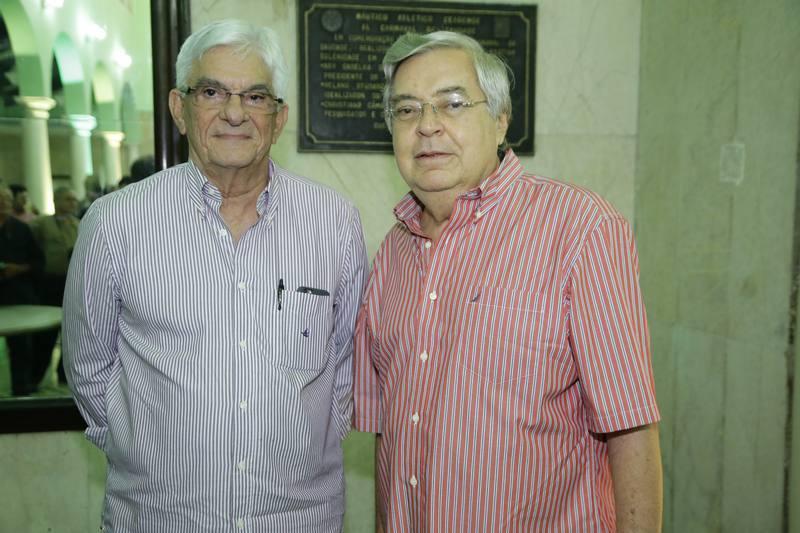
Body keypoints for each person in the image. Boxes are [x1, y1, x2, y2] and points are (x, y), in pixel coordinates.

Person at [63, 19, 368, 532]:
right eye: (212, 92)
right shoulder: (115, 223)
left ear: (278, 118)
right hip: (160, 518)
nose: (234, 113)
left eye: (255, 96)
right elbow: (89, 366)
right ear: (179, 109)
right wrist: (145, 452)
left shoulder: (333, 221)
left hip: (297, 519)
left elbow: (345, 363)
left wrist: (299, 450)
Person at [353, 32, 662, 532]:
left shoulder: (580, 229)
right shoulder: (394, 253)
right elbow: (390, 437)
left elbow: (631, 427)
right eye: (406, 110)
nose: (427, 125)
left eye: (453, 103)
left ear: (500, 121)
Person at [30, 186, 80, 384]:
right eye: (68, 199)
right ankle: (35, 376)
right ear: (57, 201)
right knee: (46, 334)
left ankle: (64, 376)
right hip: (49, 283)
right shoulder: (41, 224)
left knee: (69, 330)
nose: (73, 203)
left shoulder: (78, 224)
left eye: (74, 199)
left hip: (71, 282)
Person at [0, 183, 45, 395]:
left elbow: (38, 262)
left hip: (18, 295)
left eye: (7, 199)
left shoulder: (21, 229)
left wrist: (19, 269)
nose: (4, 203)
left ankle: (21, 391)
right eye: (0, 199)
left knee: (21, 348)